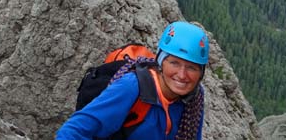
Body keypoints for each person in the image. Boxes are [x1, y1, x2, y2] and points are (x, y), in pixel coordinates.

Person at [56, 21, 208, 140]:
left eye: (192, 68)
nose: (182, 75)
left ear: (200, 73)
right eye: (174, 63)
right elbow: (73, 130)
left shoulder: (193, 99)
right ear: (160, 63)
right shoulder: (133, 87)